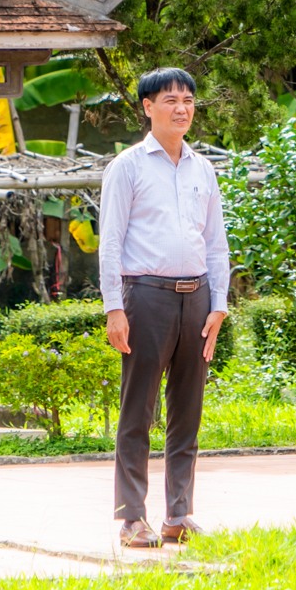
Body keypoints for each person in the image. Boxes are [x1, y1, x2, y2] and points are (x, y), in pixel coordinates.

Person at [98, 67, 230, 549]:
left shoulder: (203, 168)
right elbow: (110, 242)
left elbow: (215, 243)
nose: (182, 108)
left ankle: (179, 513)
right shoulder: (128, 167)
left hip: (196, 298)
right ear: (147, 107)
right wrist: (115, 307)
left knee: (187, 410)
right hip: (145, 297)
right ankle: (132, 516)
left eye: (189, 100)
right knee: (138, 409)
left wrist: (219, 303)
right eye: (171, 99)